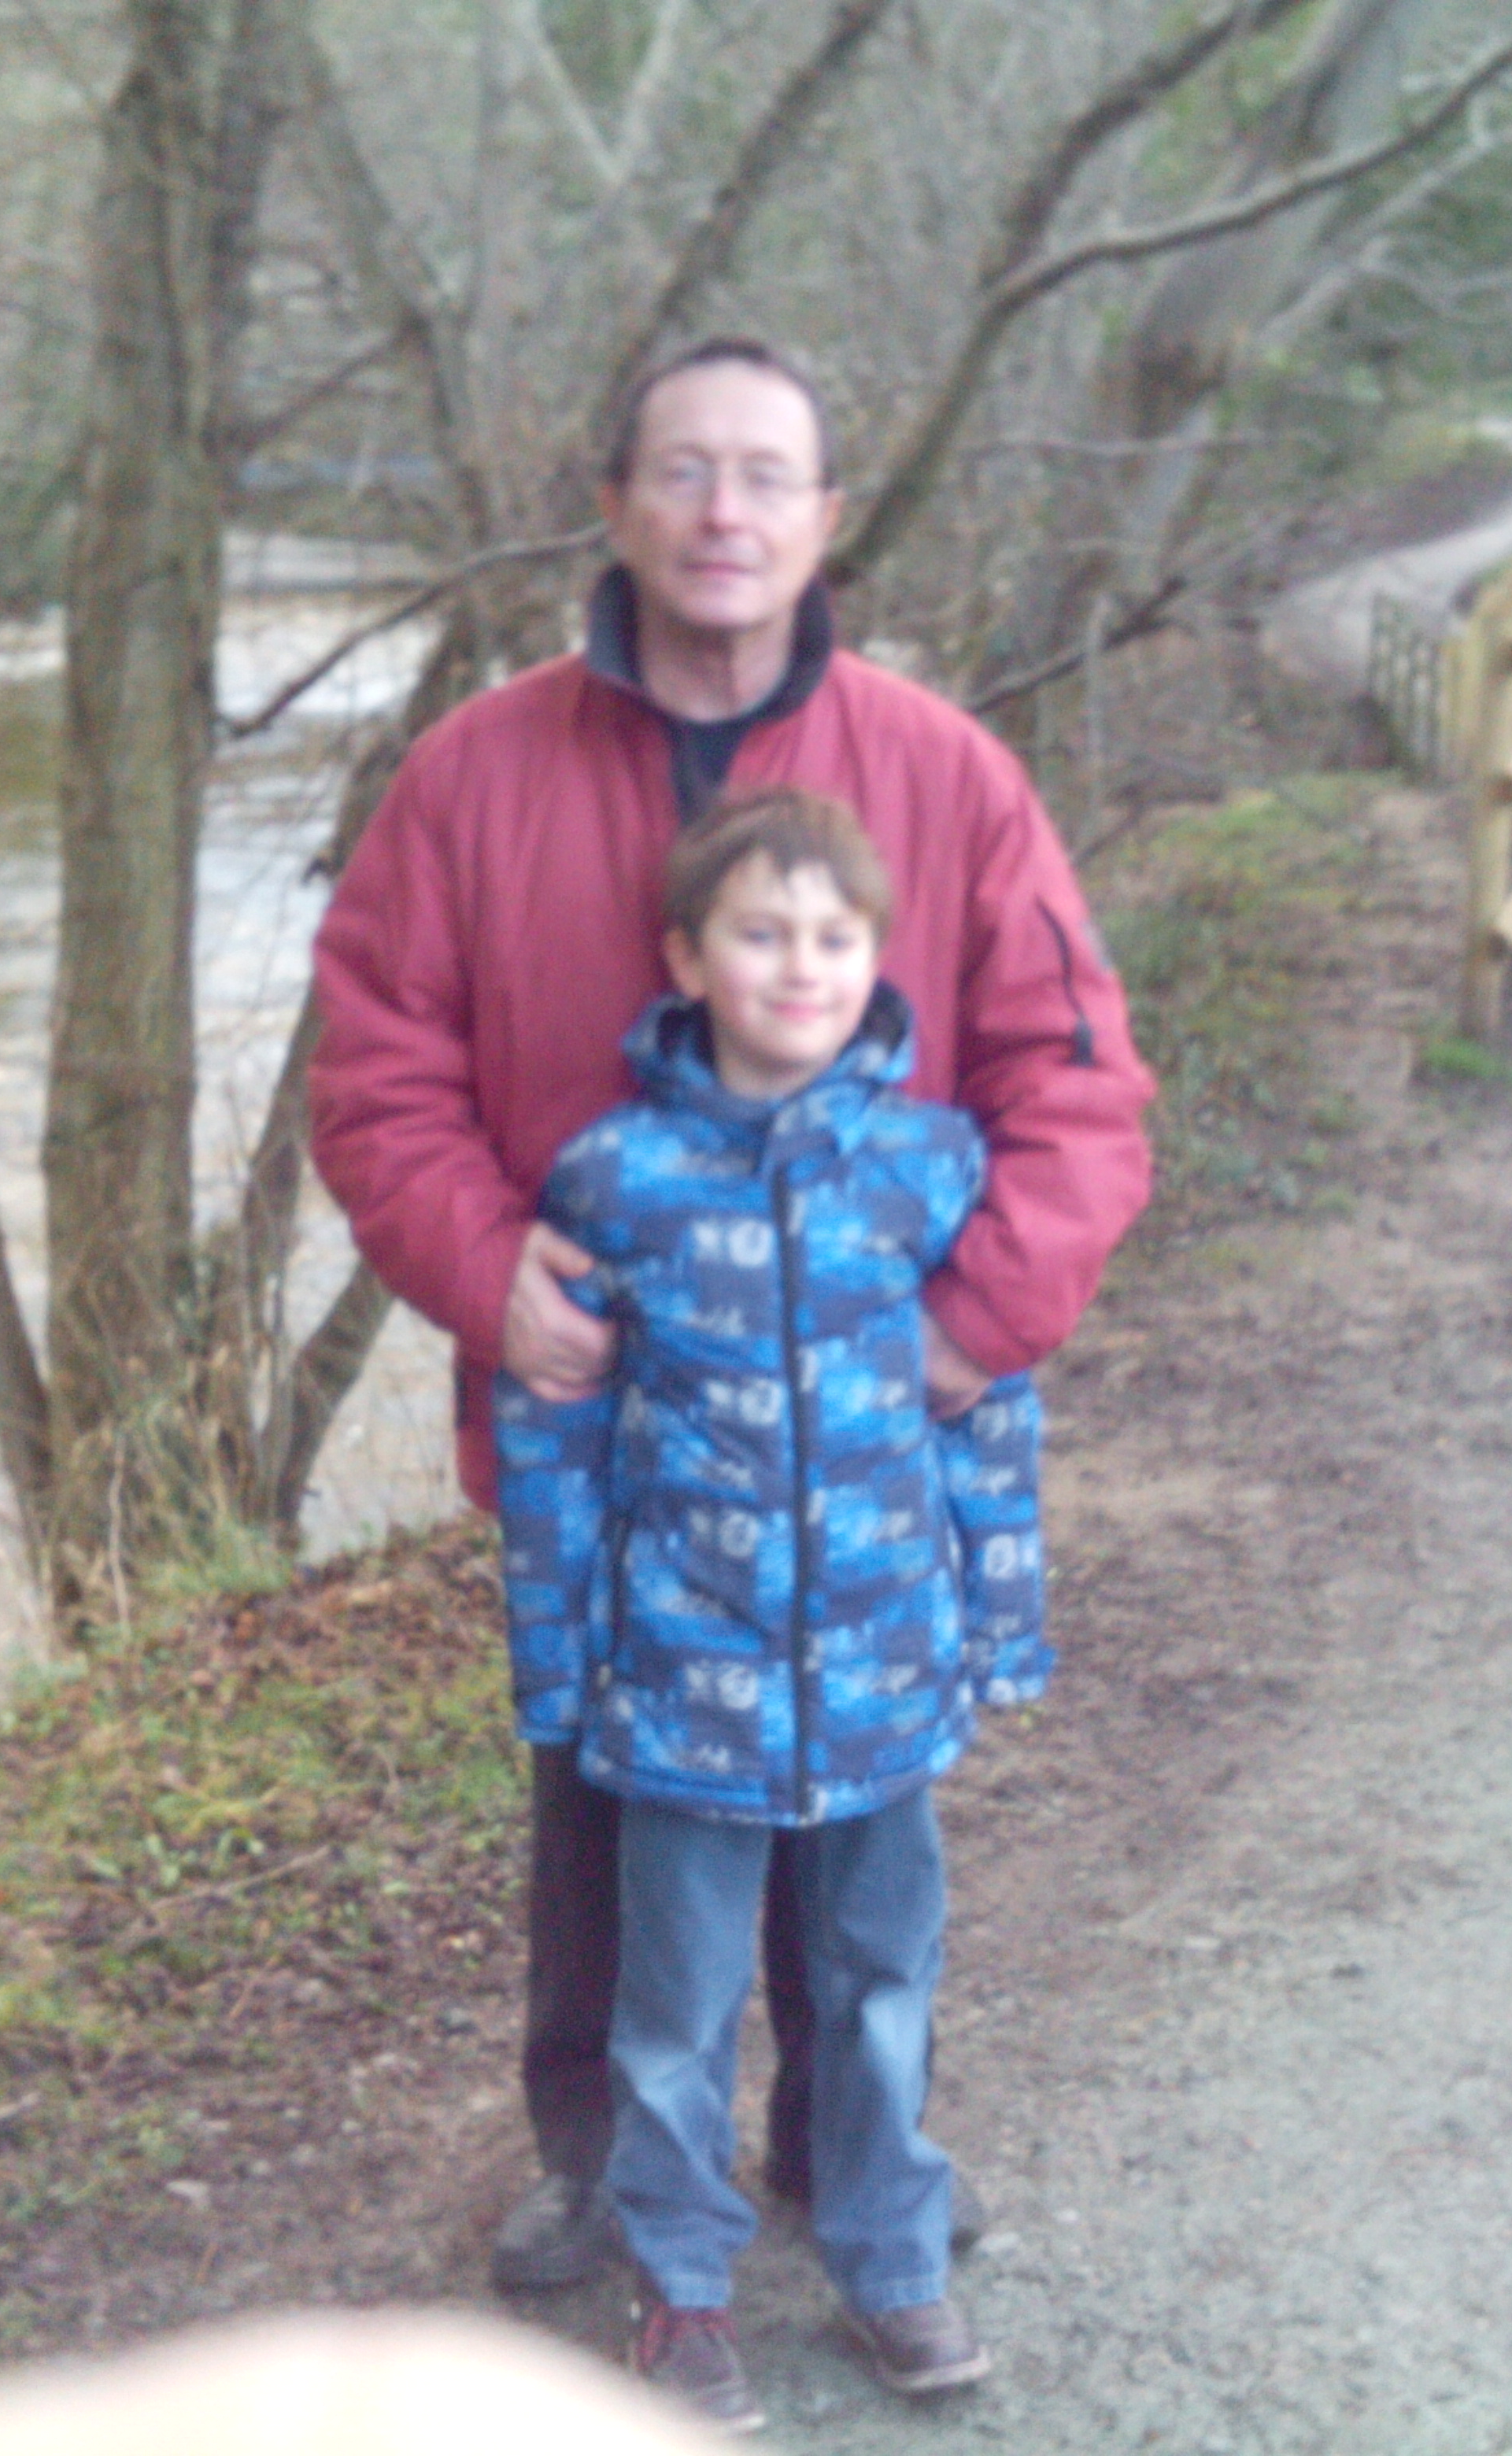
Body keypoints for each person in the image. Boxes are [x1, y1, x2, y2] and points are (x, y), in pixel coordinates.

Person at [306, 335, 1152, 2295]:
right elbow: (374, 1072)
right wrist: (483, 1271)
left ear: (825, 518)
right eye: (682, 471)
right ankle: (605, 2166)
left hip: (865, 1448)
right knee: (606, 1821)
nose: (723, 512)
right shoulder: (472, 775)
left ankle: (851, 2156)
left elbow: (1077, 1082)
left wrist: (972, 1326)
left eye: (767, 475)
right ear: (613, 506)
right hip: (603, 1434)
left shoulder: (945, 774)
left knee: (856, 1831)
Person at [497, 791, 1048, 2428]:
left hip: (884, 1683)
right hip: (683, 1694)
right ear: (687, 959)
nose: (799, 966)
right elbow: (555, 1442)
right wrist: (558, 1666)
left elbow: (987, 1414)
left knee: (879, 1984)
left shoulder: (926, 1169)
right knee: (673, 2013)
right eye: (759, 933)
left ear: (875, 956)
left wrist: (998, 1623)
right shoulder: (618, 1181)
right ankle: (681, 2288)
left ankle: (891, 2254)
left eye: (832, 936)